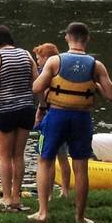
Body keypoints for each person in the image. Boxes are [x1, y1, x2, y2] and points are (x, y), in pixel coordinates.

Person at [31, 22, 112, 223]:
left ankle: (43, 212)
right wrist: (93, 84)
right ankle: (80, 217)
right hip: (82, 118)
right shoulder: (96, 65)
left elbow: (37, 87)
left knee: (45, 161)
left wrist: (51, 81)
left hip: (57, 116)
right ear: (87, 39)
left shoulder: (54, 61)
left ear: (66, 38)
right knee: (81, 166)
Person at [0, 25, 37, 212]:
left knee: (5, 156)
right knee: (19, 155)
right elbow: (36, 80)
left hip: (6, 109)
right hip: (26, 108)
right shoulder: (26, 54)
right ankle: (17, 197)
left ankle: (6, 198)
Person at [31, 42, 70, 195]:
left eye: (38, 58)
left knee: (47, 157)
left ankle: (48, 193)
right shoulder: (63, 70)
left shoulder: (45, 73)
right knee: (63, 157)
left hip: (50, 118)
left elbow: (40, 93)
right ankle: (65, 191)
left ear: (46, 57)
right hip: (66, 116)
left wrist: (39, 112)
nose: (37, 62)